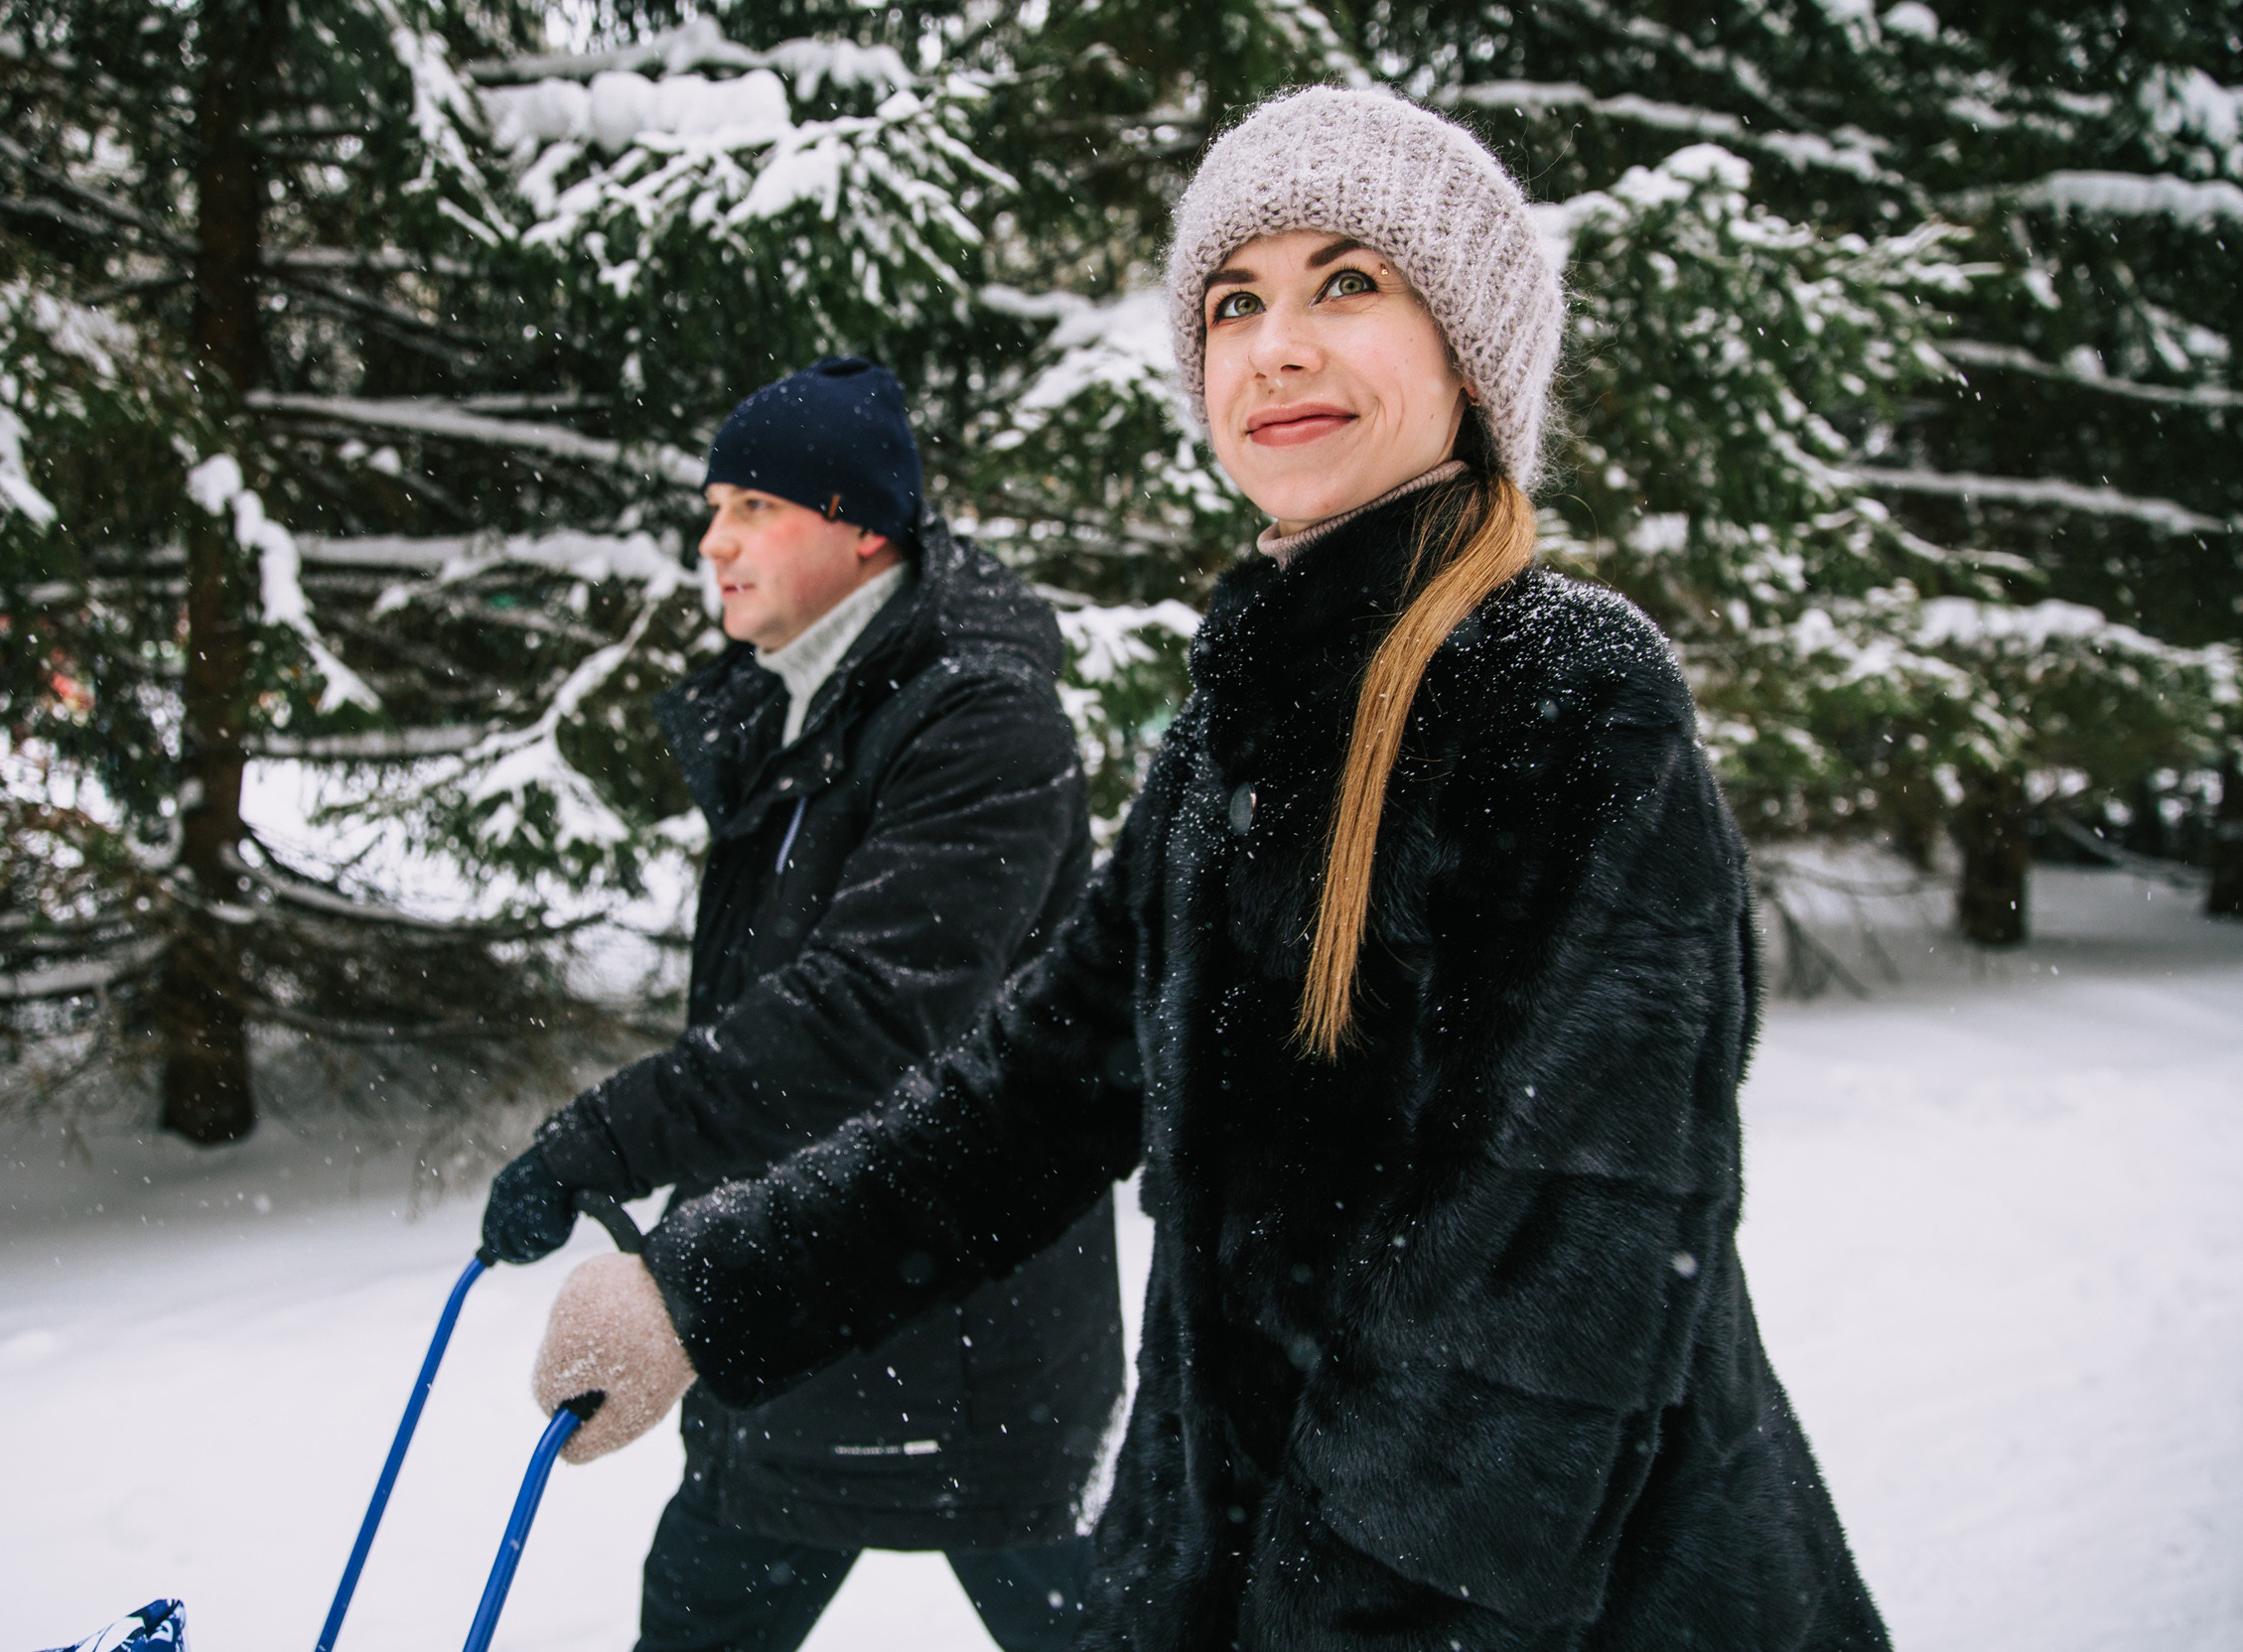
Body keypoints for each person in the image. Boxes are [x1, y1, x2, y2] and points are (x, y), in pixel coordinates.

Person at [526, 90, 1893, 1649]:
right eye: (1234, 302)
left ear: (1469, 357)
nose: (1276, 347)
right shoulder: (1234, 733)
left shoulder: (1566, 698)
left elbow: (1545, 1312)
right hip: (1228, 1556)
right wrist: (702, 1291)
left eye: (1348, 284)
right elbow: (1026, 1099)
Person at [481, 354, 1124, 1652]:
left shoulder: (982, 722)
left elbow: (866, 1020)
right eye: (713, 508)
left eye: (755, 508)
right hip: (774, 1321)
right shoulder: (796, 703)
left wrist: (602, 1140)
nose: (713, 542)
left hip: (961, 1338)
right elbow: (765, 1002)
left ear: (862, 526)